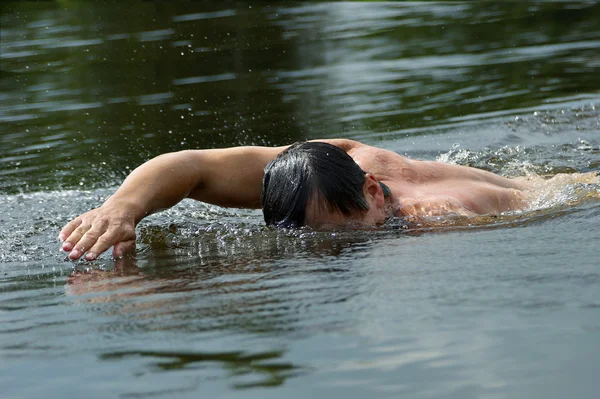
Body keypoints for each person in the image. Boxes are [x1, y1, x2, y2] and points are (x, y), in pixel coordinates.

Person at [58, 139, 529, 261]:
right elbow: (192, 164)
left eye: (343, 238)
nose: (326, 252)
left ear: (371, 192)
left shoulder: (443, 214)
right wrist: (122, 207)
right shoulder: (325, 162)